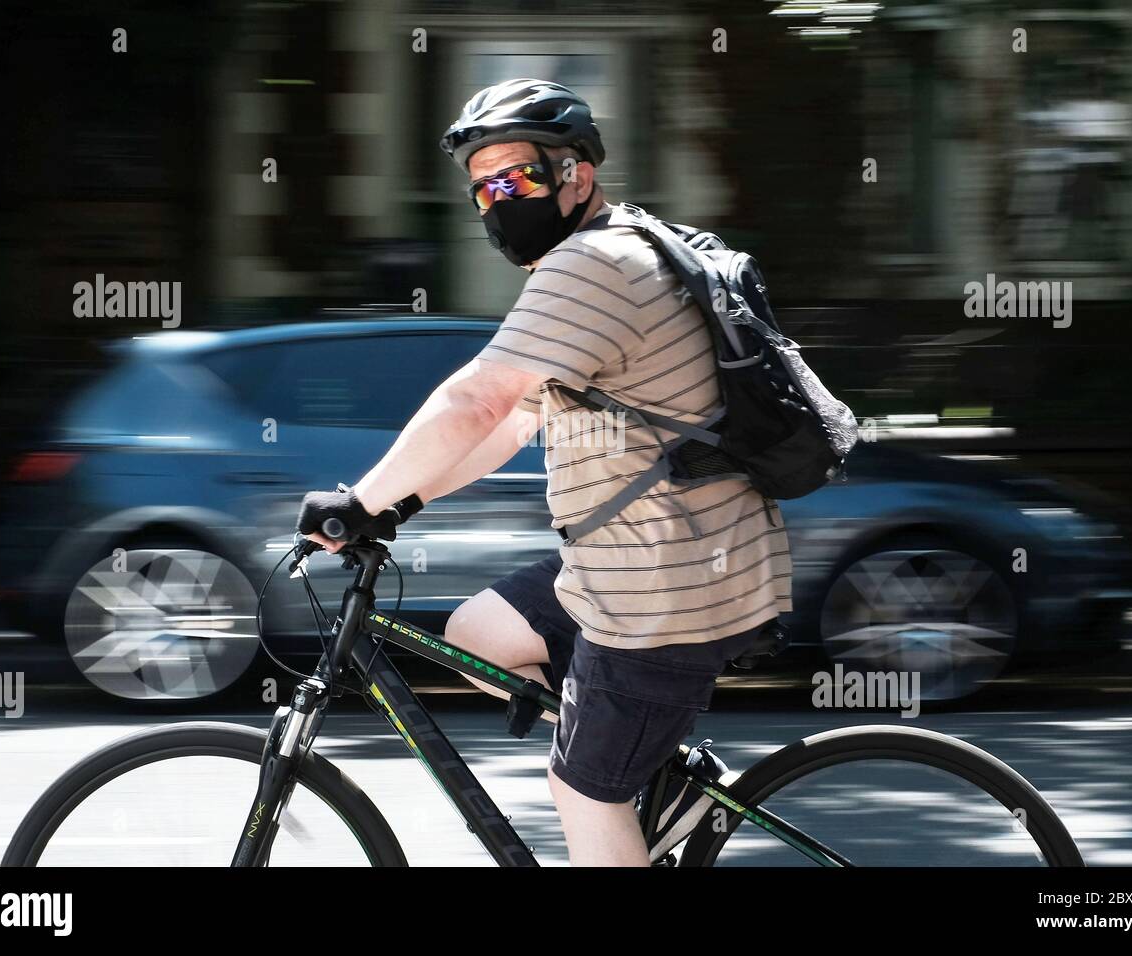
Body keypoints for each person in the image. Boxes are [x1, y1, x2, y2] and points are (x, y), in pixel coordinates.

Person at [297, 78, 792, 866]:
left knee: (580, 789)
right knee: (478, 634)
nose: (497, 202)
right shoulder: (596, 254)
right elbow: (516, 417)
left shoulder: (592, 266)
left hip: (666, 587)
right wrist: (401, 502)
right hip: (637, 563)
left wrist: (354, 502)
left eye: (516, 179)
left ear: (577, 176)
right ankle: (653, 767)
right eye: (482, 188)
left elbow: (475, 397)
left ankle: (615, 772)